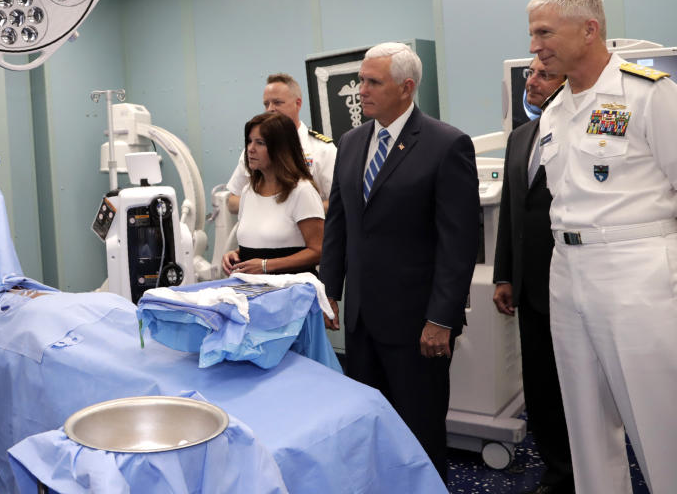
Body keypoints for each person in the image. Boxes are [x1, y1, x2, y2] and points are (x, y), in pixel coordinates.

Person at [528, 0, 677, 493]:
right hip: (566, 272)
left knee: (658, 420)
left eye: (544, 31)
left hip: (636, 269)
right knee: (585, 421)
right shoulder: (554, 111)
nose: (535, 46)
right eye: (533, 33)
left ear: (589, 29)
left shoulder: (646, 93)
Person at [320, 42, 479, 480]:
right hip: (362, 320)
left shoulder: (446, 145)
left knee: (420, 432)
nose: (361, 90)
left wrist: (442, 318)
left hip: (417, 324)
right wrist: (329, 290)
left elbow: (459, 243)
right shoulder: (352, 143)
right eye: (360, 80)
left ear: (406, 88)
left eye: (372, 82)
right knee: (370, 427)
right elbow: (340, 223)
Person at [492, 58, 574, 494]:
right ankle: (558, 472)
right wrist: (505, 275)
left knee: (586, 389)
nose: (532, 82)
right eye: (531, 74)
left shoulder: (584, 129)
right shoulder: (521, 137)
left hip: (578, 281)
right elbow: (512, 211)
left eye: (544, 74)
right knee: (541, 388)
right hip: (531, 287)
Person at [221, 113, 324, 277]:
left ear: (280, 148)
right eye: (249, 141)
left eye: (260, 143)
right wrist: (236, 254)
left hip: (290, 293)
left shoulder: (302, 191)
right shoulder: (248, 191)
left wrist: (266, 265)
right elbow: (263, 242)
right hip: (252, 291)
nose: (250, 148)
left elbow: (319, 251)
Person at [226, 73, 336, 213]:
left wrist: (296, 209)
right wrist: (265, 203)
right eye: (266, 104)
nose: (270, 109)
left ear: (298, 103)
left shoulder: (322, 149)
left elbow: (338, 202)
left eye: (277, 102)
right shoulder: (254, 149)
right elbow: (232, 201)